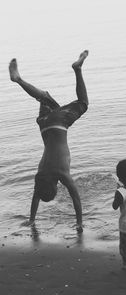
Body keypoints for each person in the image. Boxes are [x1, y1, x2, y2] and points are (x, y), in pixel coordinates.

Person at [9, 50, 89, 233]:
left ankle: (77, 69)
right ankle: (18, 80)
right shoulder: (41, 174)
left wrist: (79, 223)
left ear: (54, 184)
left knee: (83, 103)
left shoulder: (61, 174)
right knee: (44, 96)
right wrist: (31, 220)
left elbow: (76, 197)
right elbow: (36, 197)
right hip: (44, 125)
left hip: (57, 124)